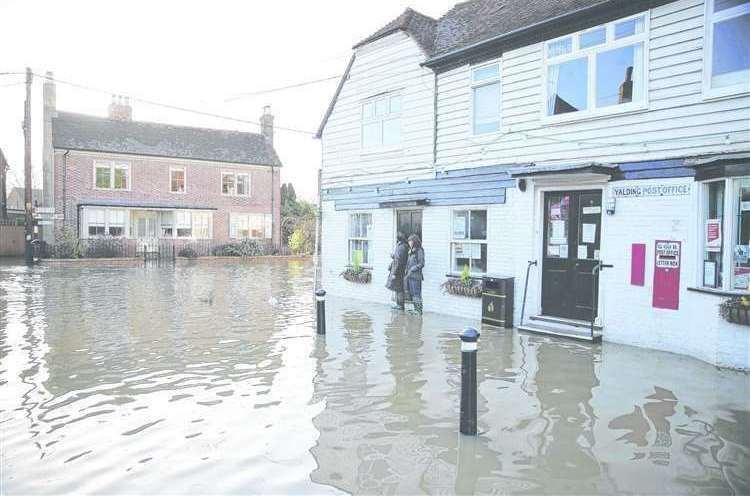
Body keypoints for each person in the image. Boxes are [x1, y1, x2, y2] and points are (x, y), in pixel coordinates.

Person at [386, 232, 409, 310]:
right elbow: (399, 257)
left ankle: (400, 305)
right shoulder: (404, 246)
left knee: (399, 288)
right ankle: (399, 305)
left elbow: (398, 260)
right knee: (398, 288)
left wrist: (394, 273)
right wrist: (393, 256)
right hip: (401, 269)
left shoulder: (401, 247)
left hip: (399, 271)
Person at [404, 234, 425, 315]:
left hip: (416, 276)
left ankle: (419, 311)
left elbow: (422, 263)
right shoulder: (411, 251)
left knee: (417, 293)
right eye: (409, 241)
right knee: (413, 293)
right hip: (410, 275)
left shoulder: (419, 250)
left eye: (411, 241)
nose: (409, 243)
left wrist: (413, 268)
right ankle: (415, 309)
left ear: (415, 241)